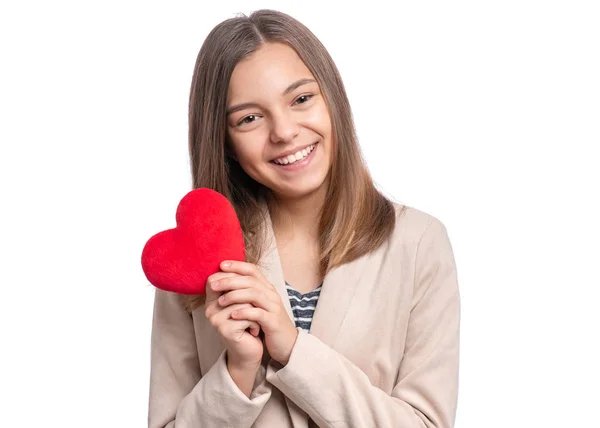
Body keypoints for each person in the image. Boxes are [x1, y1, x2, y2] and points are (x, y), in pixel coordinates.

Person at [148, 8, 460, 428]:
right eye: (250, 118)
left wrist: (294, 349)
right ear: (225, 142)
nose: (284, 132)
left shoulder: (418, 243)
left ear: (332, 98)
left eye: (301, 99)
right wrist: (238, 372)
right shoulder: (196, 260)